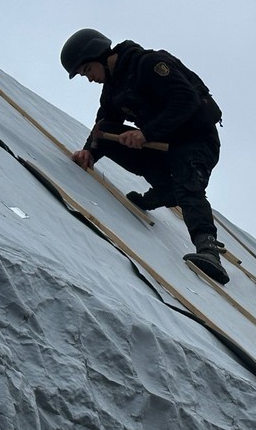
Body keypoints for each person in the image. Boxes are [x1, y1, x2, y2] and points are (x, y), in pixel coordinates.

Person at [60, 28, 229, 285]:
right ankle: (165, 189)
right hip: (163, 146)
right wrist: (89, 151)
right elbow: (103, 123)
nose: (90, 79)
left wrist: (146, 133)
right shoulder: (113, 89)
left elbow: (186, 99)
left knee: (188, 185)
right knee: (107, 132)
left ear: (98, 56)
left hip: (196, 141)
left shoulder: (149, 64)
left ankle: (208, 250)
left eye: (87, 71)